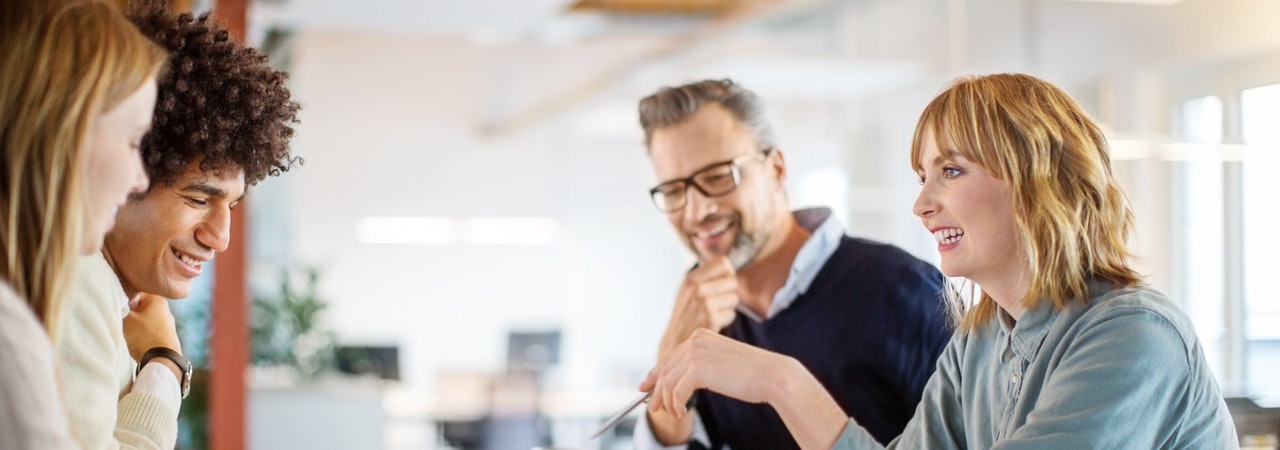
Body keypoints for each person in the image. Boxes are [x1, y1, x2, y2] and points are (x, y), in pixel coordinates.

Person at [642, 73, 1241, 449]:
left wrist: (781, 379)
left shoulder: (1132, 334)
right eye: (923, 176)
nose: (922, 204)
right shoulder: (976, 345)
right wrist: (776, 381)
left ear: (1039, 182)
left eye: (950, 171)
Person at [633, 79, 952, 450]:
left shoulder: (903, 289)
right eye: (673, 190)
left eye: (719, 177)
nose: (698, 210)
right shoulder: (701, 315)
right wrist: (671, 356)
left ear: (777, 170)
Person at [55, 0, 301, 448]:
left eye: (232, 205)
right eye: (197, 198)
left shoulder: (110, 295)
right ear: (125, 172)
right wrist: (166, 363)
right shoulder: (77, 276)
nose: (220, 238)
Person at [1, 0, 164, 447]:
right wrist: (165, 366)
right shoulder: (11, 333)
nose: (138, 177)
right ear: (64, 132)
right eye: (133, 141)